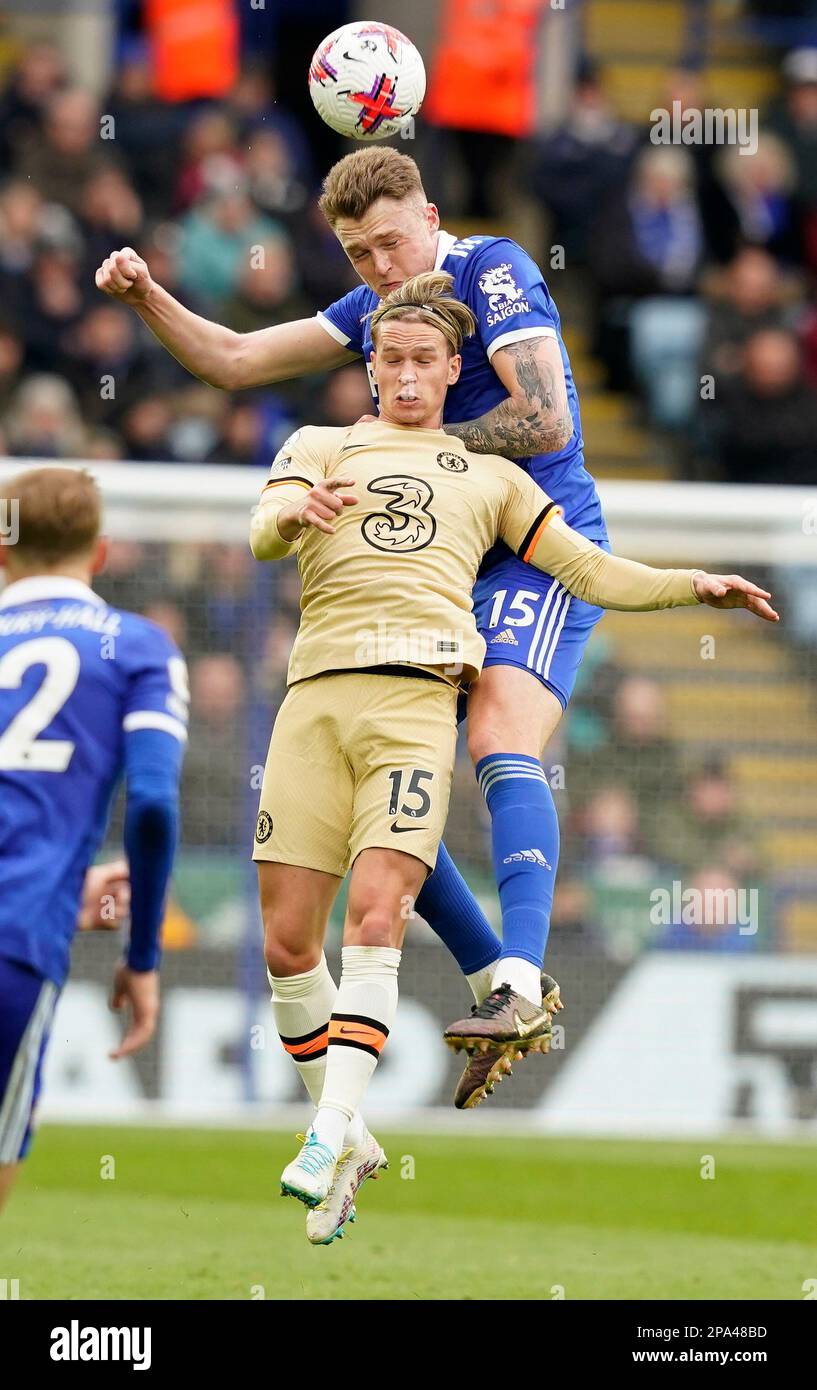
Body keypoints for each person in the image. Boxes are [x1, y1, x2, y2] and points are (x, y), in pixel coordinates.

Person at [248, 271, 777, 1243]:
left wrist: (690, 585)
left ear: (454, 370)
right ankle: (352, 1129)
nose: (404, 376)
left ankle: (326, 1130)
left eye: (423, 361)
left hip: (416, 695)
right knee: (286, 942)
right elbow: (260, 533)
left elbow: (584, 567)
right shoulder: (318, 447)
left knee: (375, 913)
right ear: (369, 365)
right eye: (389, 358)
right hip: (314, 696)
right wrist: (291, 515)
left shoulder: (489, 475)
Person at [94, 145, 612, 1092]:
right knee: (387, 780)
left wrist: (403, 458)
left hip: (536, 546)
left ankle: (523, 976)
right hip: (441, 564)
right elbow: (237, 359)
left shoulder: (490, 268)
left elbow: (545, 422)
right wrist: (145, 298)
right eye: (356, 253)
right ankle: (497, 978)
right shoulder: (379, 307)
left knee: (499, 732)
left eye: (387, 243)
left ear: (426, 213)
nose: (377, 269)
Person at [0, 467, 188, 1212]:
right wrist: (140, 954)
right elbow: (151, 807)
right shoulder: (136, 647)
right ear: (101, 554)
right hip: (16, 933)